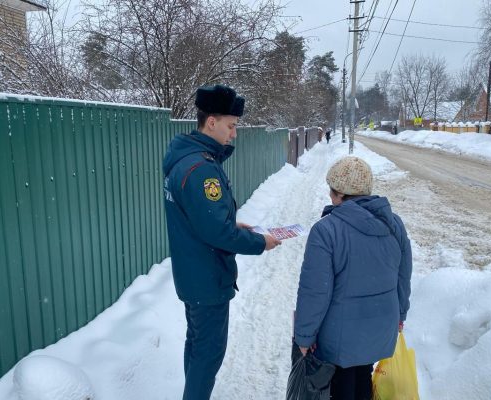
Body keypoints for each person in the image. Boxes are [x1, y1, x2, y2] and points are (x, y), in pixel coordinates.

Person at [162, 84, 281, 400]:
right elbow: (217, 233)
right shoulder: (201, 170)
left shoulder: (186, 158)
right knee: (208, 354)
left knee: (197, 344)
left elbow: (201, 220)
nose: (234, 134)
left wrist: (229, 222)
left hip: (192, 273)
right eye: (231, 126)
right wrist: (259, 242)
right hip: (206, 278)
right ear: (211, 122)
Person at [293, 156, 412, 400]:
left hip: (339, 335)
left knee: (342, 385)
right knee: (362, 377)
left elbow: (315, 291)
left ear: (338, 193)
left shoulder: (326, 230)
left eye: (331, 190)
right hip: (379, 326)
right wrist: (400, 315)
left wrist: (304, 336)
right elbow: (403, 275)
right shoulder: (394, 224)